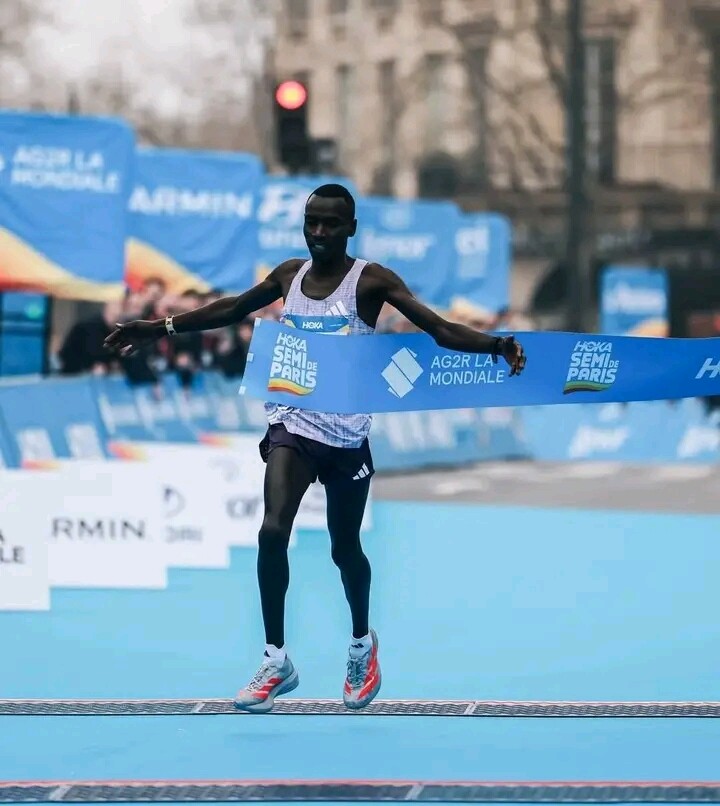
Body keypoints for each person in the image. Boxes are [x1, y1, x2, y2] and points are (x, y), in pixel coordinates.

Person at [104, 183, 527, 713]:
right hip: (294, 425)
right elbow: (232, 309)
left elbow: (438, 329)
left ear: (351, 228)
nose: (319, 233)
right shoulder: (289, 276)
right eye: (312, 223)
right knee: (272, 530)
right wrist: (159, 327)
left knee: (344, 550)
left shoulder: (371, 282)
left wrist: (495, 344)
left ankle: (361, 646)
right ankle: (275, 659)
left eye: (330, 224)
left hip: (346, 437)